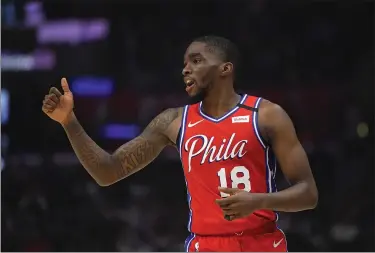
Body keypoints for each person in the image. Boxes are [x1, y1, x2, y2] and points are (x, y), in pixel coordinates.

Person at [42, 35, 318, 252]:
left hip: (261, 243)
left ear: (225, 69)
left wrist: (259, 201)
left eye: (196, 61)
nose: (186, 68)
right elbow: (107, 171)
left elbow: (308, 194)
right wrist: (70, 122)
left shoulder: (267, 115)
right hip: (205, 245)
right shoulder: (173, 122)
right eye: (185, 62)